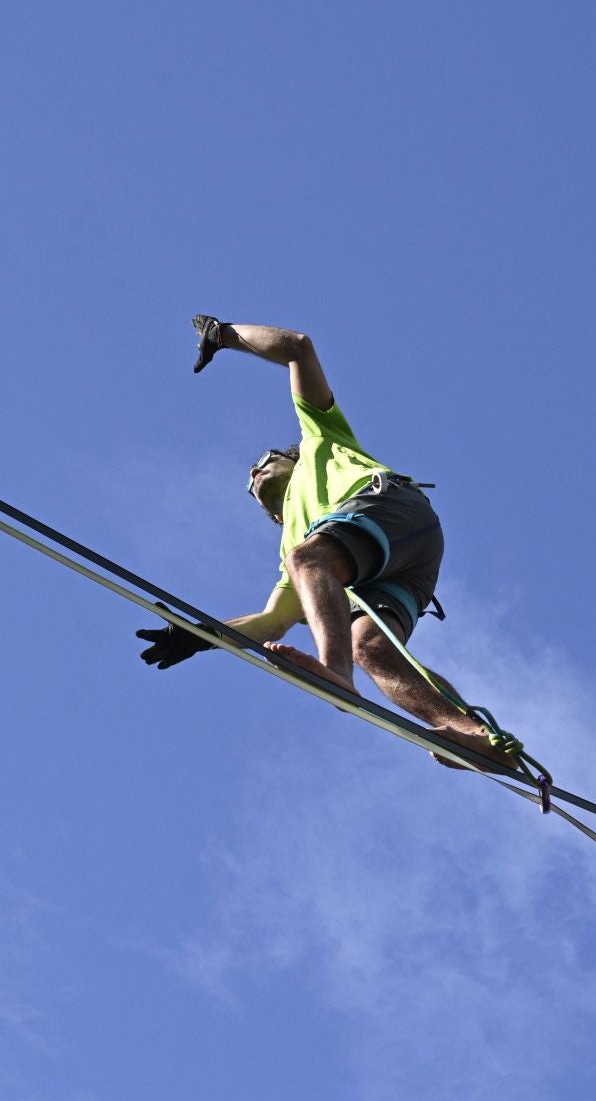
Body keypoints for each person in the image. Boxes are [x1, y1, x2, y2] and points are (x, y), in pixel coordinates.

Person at [135, 315, 517, 770]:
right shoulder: (294, 546)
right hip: (393, 566)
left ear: (292, 458)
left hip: (390, 509)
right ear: (272, 515)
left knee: (310, 560)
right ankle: (477, 736)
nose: (253, 474)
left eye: (264, 461)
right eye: (249, 483)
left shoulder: (321, 438)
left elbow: (298, 346)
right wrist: (199, 635)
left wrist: (225, 334)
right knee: (371, 648)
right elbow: (271, 622)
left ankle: (336, 672)